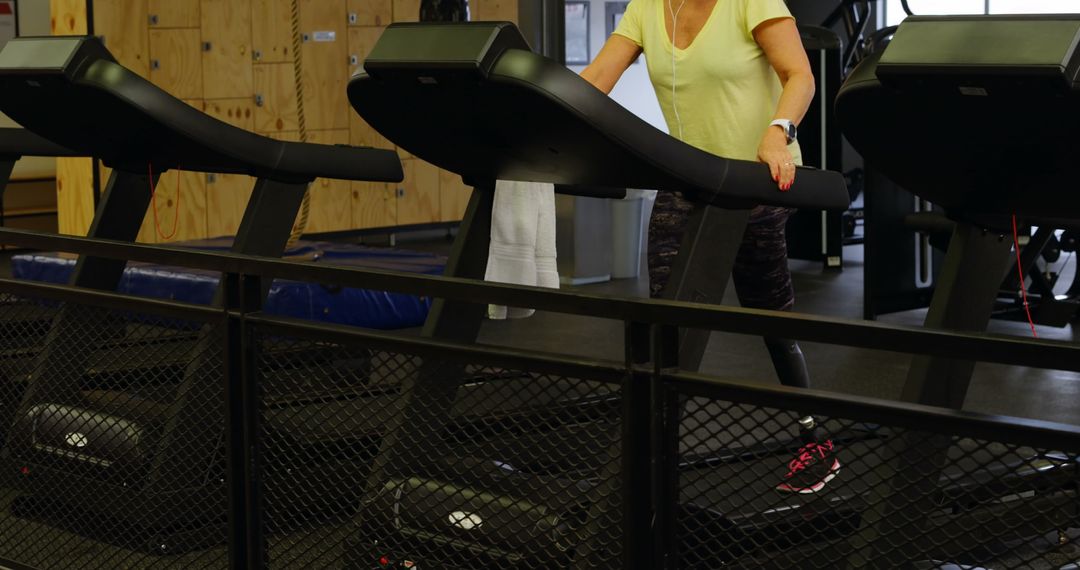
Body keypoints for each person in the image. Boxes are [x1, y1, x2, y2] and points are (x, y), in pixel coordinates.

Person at [580, 0, 839, 493]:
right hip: (689, 178)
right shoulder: (646, 9)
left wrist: (777, 132)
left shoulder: (751, 1)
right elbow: (595, 80)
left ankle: (816, 441)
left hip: (759, 177)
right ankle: (652, 456)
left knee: (770, 318)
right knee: (667, 322)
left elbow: (799, 75)